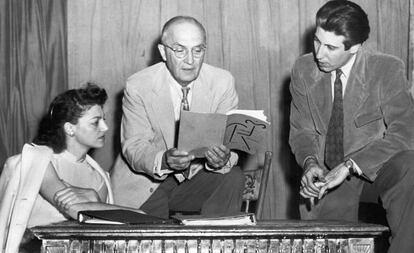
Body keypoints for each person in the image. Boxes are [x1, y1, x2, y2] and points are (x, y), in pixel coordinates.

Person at [289, 1, 414, 252]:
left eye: (331, 47)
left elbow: (405, 134)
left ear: (355, 47)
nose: (319, 54)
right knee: (328, 244)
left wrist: (350, 166)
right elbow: (301, 130)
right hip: (327, 172)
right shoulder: (303, 69)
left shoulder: (387, 69)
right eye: (316, 41)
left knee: (411, 165)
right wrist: (310, 162)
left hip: (375, 169)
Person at [111, 16, 245, 219]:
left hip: (196, 178)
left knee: (233, 177)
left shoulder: (222, 82)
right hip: (147, 183)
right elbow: (134, 147)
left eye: (198, 50)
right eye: (180, 50)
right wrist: (164, 160)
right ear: (164, 52)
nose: (190, 60)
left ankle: (217, 241)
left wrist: (222, 158)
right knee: (156, 244)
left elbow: (230, 144)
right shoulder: (139, 86)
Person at [0, 84, 139, 253]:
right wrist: (142, 215)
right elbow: (76, 208)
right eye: (96, 122)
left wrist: (94, 198)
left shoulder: (98, 176)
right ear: (70, 129)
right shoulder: (38, 160)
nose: (105, 128)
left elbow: (100, 226)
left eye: (104, 120)